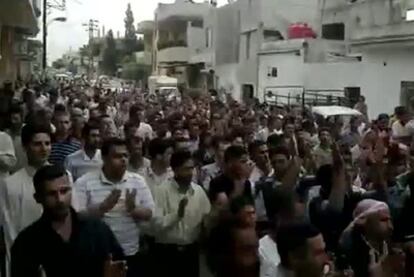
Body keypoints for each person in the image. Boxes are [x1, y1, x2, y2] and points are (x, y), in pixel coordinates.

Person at [10, 165, 127, 277]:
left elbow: (120, 266)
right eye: (51, 194)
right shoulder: (27, 243)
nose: (60, 199)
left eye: (64, 191)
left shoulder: (98, 231)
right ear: (38, 198)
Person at [74, 138, 155, 277]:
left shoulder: (137, 180)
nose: (123, 159)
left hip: (130, 252)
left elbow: (150, 213)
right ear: (104, 158)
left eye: (125, 155)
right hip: (97, 254)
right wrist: (103, 207)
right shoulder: (85, 182)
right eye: (117, 156)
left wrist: (133, 209)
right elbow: (77, 216)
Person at [0, 123, 52, 274]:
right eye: (37, 144)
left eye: (47, 143)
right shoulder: (10, 184)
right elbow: (10, 230)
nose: (43, 149)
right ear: (25, 147)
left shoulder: (64, 176)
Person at [152, 150, 211, 277]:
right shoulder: (162, 191)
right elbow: (156, 225)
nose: (190, 173)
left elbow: (206, 218)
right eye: (186, 169)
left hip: (191, 252)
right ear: (175, 170)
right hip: (167, 253)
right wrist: (177, 215)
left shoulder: (198, 191)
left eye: (192, 168)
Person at [340, 199, 399, 277]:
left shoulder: (393, 250)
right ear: (365, 222)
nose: (390, 226)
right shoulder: (351, 254)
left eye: (390, 220)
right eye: (384, 220)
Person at [6, 105, 26, 173]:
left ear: (22, 118)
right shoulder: (6, 134)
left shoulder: (28, 131)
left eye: (15, 119)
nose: (13, 121)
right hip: (10, 173)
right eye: (11, 119)